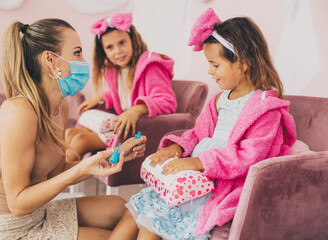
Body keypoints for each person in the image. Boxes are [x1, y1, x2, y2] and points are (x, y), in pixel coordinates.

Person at [108, 8, 297, 240]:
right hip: (195, 175)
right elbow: (198, 135)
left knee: (150, 225)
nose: (210, 71)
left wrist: (199, 162)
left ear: (243, 63)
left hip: (217, 184)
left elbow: (251, 157)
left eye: (215, 65)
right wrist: (177, 148)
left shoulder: (264, 108)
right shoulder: (219, 100)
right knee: (136, 212)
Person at [0, 18, 147, 240]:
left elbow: (56, 173)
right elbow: (17, 204)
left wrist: (111, 159)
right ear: (50, 59)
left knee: (127, 209)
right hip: (8, 229)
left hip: (39, 213)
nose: (83, 61)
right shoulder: (19, 113)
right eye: (77, 53)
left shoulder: (60, 107)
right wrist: (82, 169)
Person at [65, 12, 177, 162]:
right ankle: (57, 180)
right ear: (103, 51)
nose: (117, 51)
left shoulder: (150, 66)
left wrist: (136, 109)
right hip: (122, 125)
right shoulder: (115, 70)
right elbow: (124, 95)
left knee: (80, 141)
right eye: (110, 47)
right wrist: (100, 98)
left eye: (122, 43)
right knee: (70, 134)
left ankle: (63, 179)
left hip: (135, 130)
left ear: (133, 40)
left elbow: (167, 101)